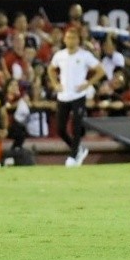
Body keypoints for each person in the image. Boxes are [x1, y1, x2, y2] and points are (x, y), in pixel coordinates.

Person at [47, 28, 106, 167]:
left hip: (78, 95)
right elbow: (50, 69)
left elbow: (100, 70)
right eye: (68, 37)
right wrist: (55, 84)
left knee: (77, 125)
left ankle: (73, 155)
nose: (70, 40)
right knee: (60, 129)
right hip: (63, 96)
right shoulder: (59, 55)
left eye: (73, 38)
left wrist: (88, 84)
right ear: (64, 39)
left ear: (78, 40)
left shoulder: (85, 55)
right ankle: (78, 149)